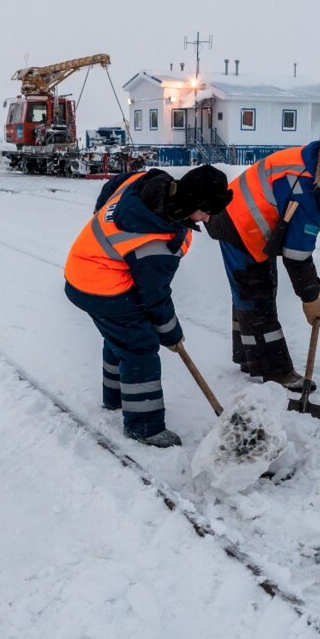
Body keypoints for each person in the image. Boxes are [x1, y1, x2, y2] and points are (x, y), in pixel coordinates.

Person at [205, 129, 320, 393]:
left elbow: (299, 202)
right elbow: (296, 255)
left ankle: (248, 355)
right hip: (240, 222)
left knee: (253, 292)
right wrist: (310, 298)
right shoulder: (310, 189)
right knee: (257, 293)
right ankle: (275, 372)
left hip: (244, 215)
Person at [65, 165, 233, 448]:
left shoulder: (148, 182)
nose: (206, 219)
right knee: (140, 346)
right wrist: (170, 333)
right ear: (192, 202)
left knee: (120, 335)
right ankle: (143, 426)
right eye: (205, 211)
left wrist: (102, 222)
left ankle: (116, 397)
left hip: (82, 269)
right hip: (100, 285)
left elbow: (114, 185)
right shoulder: (158, 240)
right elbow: (154, 296)